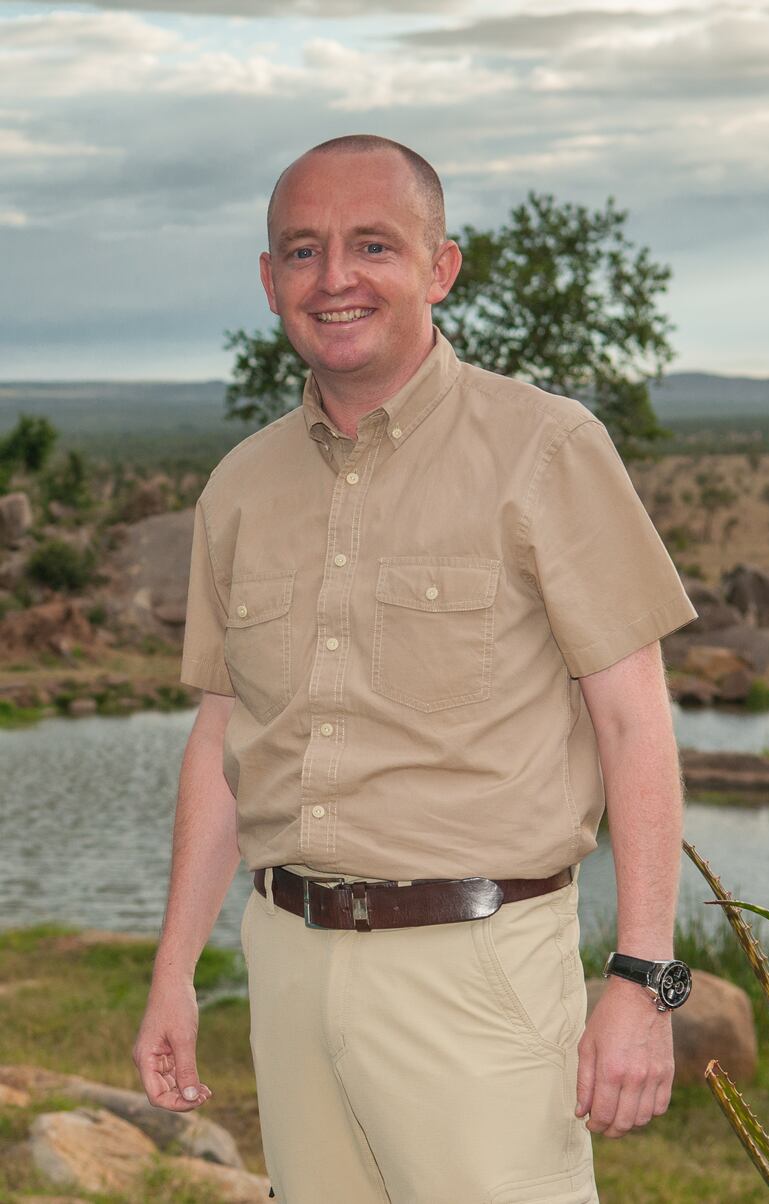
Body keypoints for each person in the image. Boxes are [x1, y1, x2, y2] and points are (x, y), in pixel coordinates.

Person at [133, 134, 699, 1204]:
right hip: (288, 962)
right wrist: (173, 975)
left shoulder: (545, 449)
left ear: (439, 267)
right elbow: (220, 747)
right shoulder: (239, 486)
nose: (333, 277)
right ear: (268, 281)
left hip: (476, 973)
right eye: (301, 251)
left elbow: (634, 724)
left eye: (371, 245)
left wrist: (641, 977)